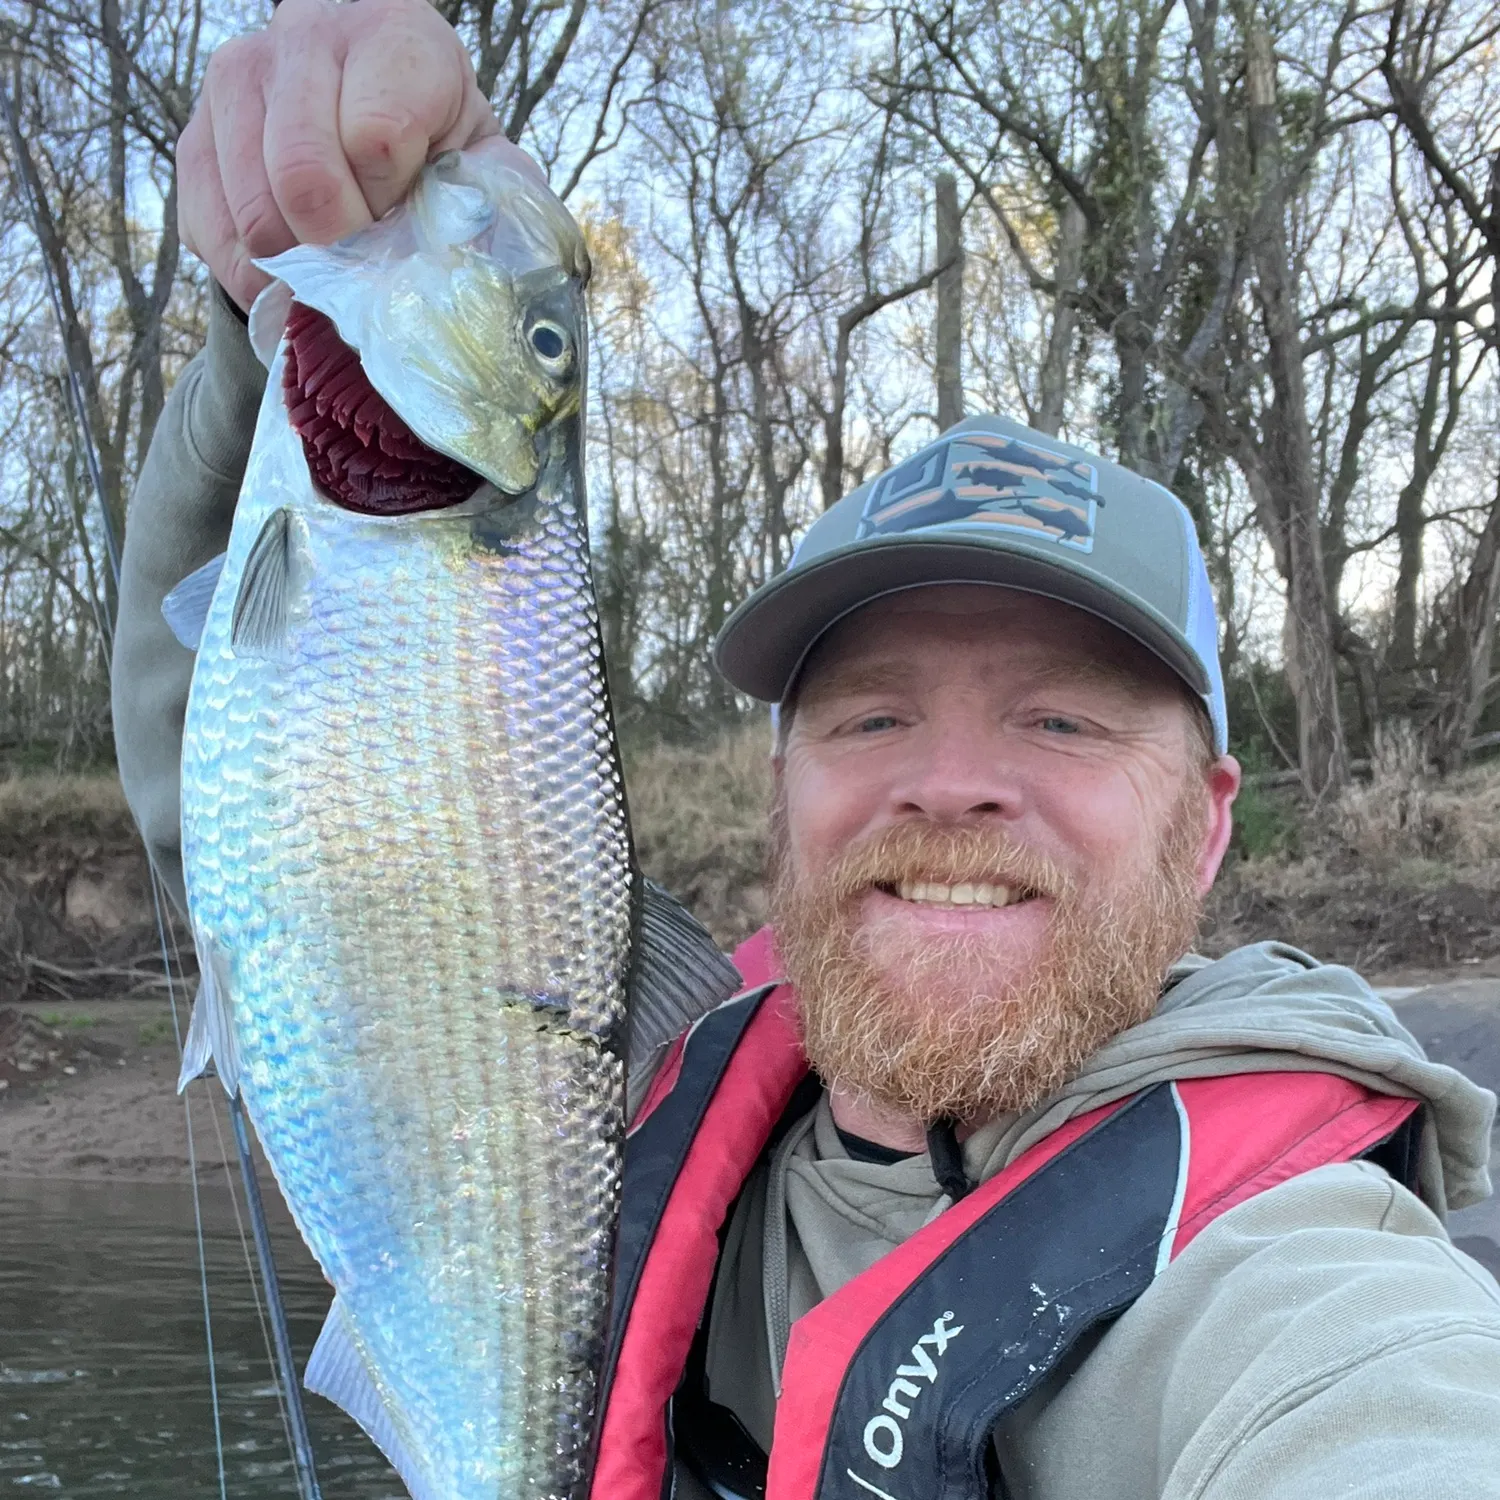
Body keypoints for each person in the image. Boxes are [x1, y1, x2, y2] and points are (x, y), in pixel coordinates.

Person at [112, 1, 1500, 1494]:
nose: (950, 777)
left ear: (1208, 823)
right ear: (784, 795)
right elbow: (301, 840)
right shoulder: (610, 1096)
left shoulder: (1313, 1305)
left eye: (1061, 719)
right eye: (875, 712)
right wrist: (275, 330)